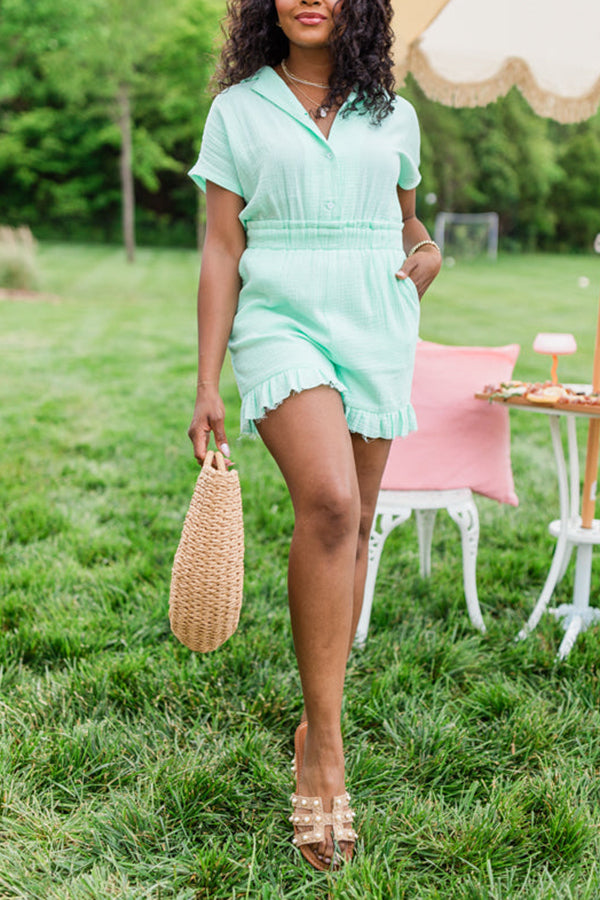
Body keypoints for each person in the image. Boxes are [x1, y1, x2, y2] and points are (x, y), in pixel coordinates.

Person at [187, 0, 442, 873]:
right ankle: (325, 748)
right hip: (281, 314)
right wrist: (205, 380)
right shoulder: (239, 109)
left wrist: (425, 249)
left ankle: (315, 721)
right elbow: (223, 247)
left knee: (356, 522)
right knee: (329, 502)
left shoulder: (393, 113)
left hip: (376, 315)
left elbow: (406, 223)